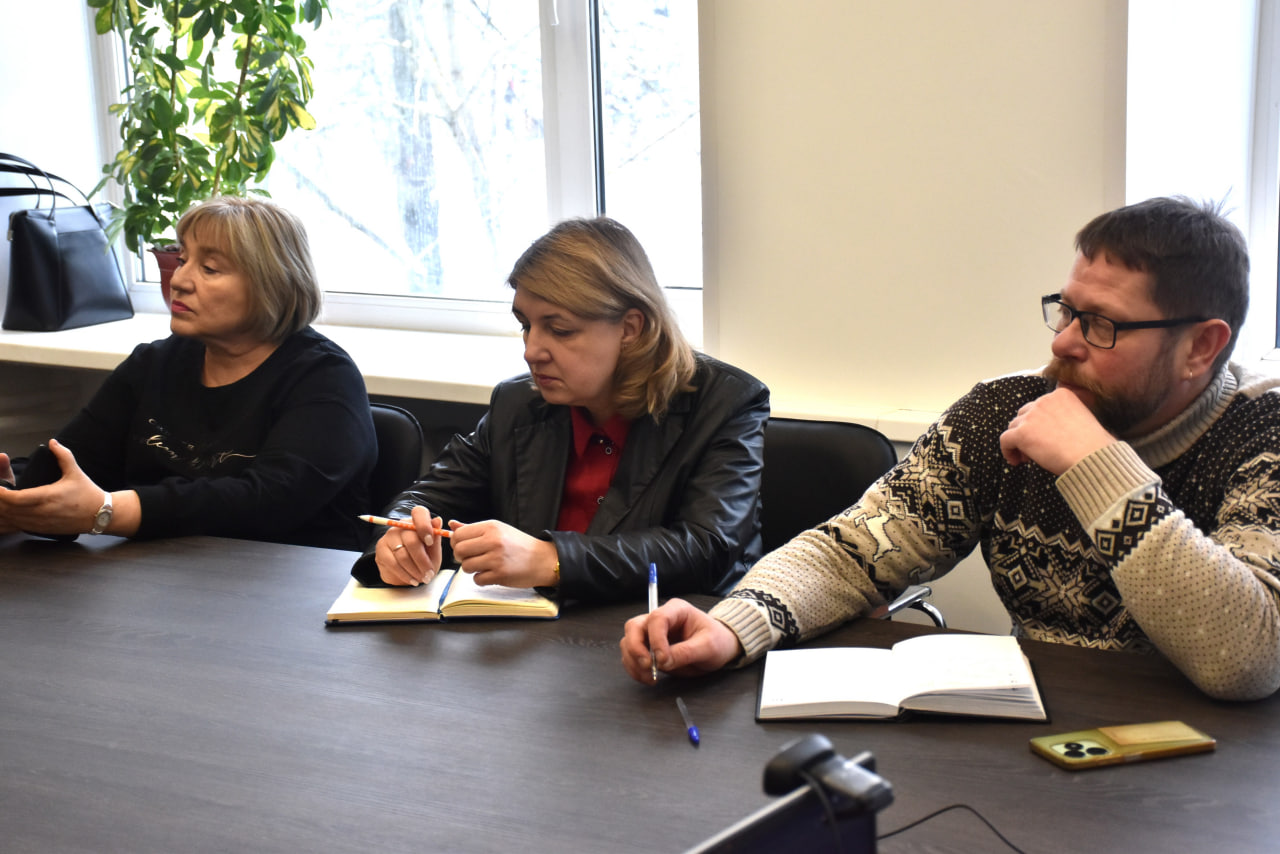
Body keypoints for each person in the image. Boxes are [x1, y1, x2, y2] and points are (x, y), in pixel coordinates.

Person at [622, 196, 1280, 702]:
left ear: (1201, 347)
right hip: (1052, 735)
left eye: (1101, 324)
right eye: (1066, 310)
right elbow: (853, 551)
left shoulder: (1263, 433)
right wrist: (734, 625)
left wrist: (1096, 465)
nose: (1063, 343)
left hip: (1216, 775)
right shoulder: (1005, 411)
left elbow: (1247, 659)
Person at [350, 217, 769, 602]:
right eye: (525, 325)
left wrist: (552, 560)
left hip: (672, 637)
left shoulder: (725, 403)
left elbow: (706, 549)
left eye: (560, 329)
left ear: (630, 328)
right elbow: (430, 495)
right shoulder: (518, 403)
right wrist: (400, 540)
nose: (531, 351)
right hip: (535, 637)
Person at [0, 196, 376, 551]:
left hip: (293, 581)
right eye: (182, 260)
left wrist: (109, 512)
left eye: (209, 269)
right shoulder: (153, 363)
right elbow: (74, 462)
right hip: (160, 575)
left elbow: (269, 502)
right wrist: (17, 490)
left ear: (271, 284)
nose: (179, 280)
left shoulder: (325, 377)